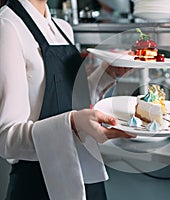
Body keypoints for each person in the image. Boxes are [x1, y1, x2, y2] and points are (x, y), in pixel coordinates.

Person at [0, 0, 134, 199]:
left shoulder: (62, 28)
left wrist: (107, 73)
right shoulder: (7, 26)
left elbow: (71, 99)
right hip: (38, 185)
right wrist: (71, 123)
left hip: (87, 174)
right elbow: (6, 138)